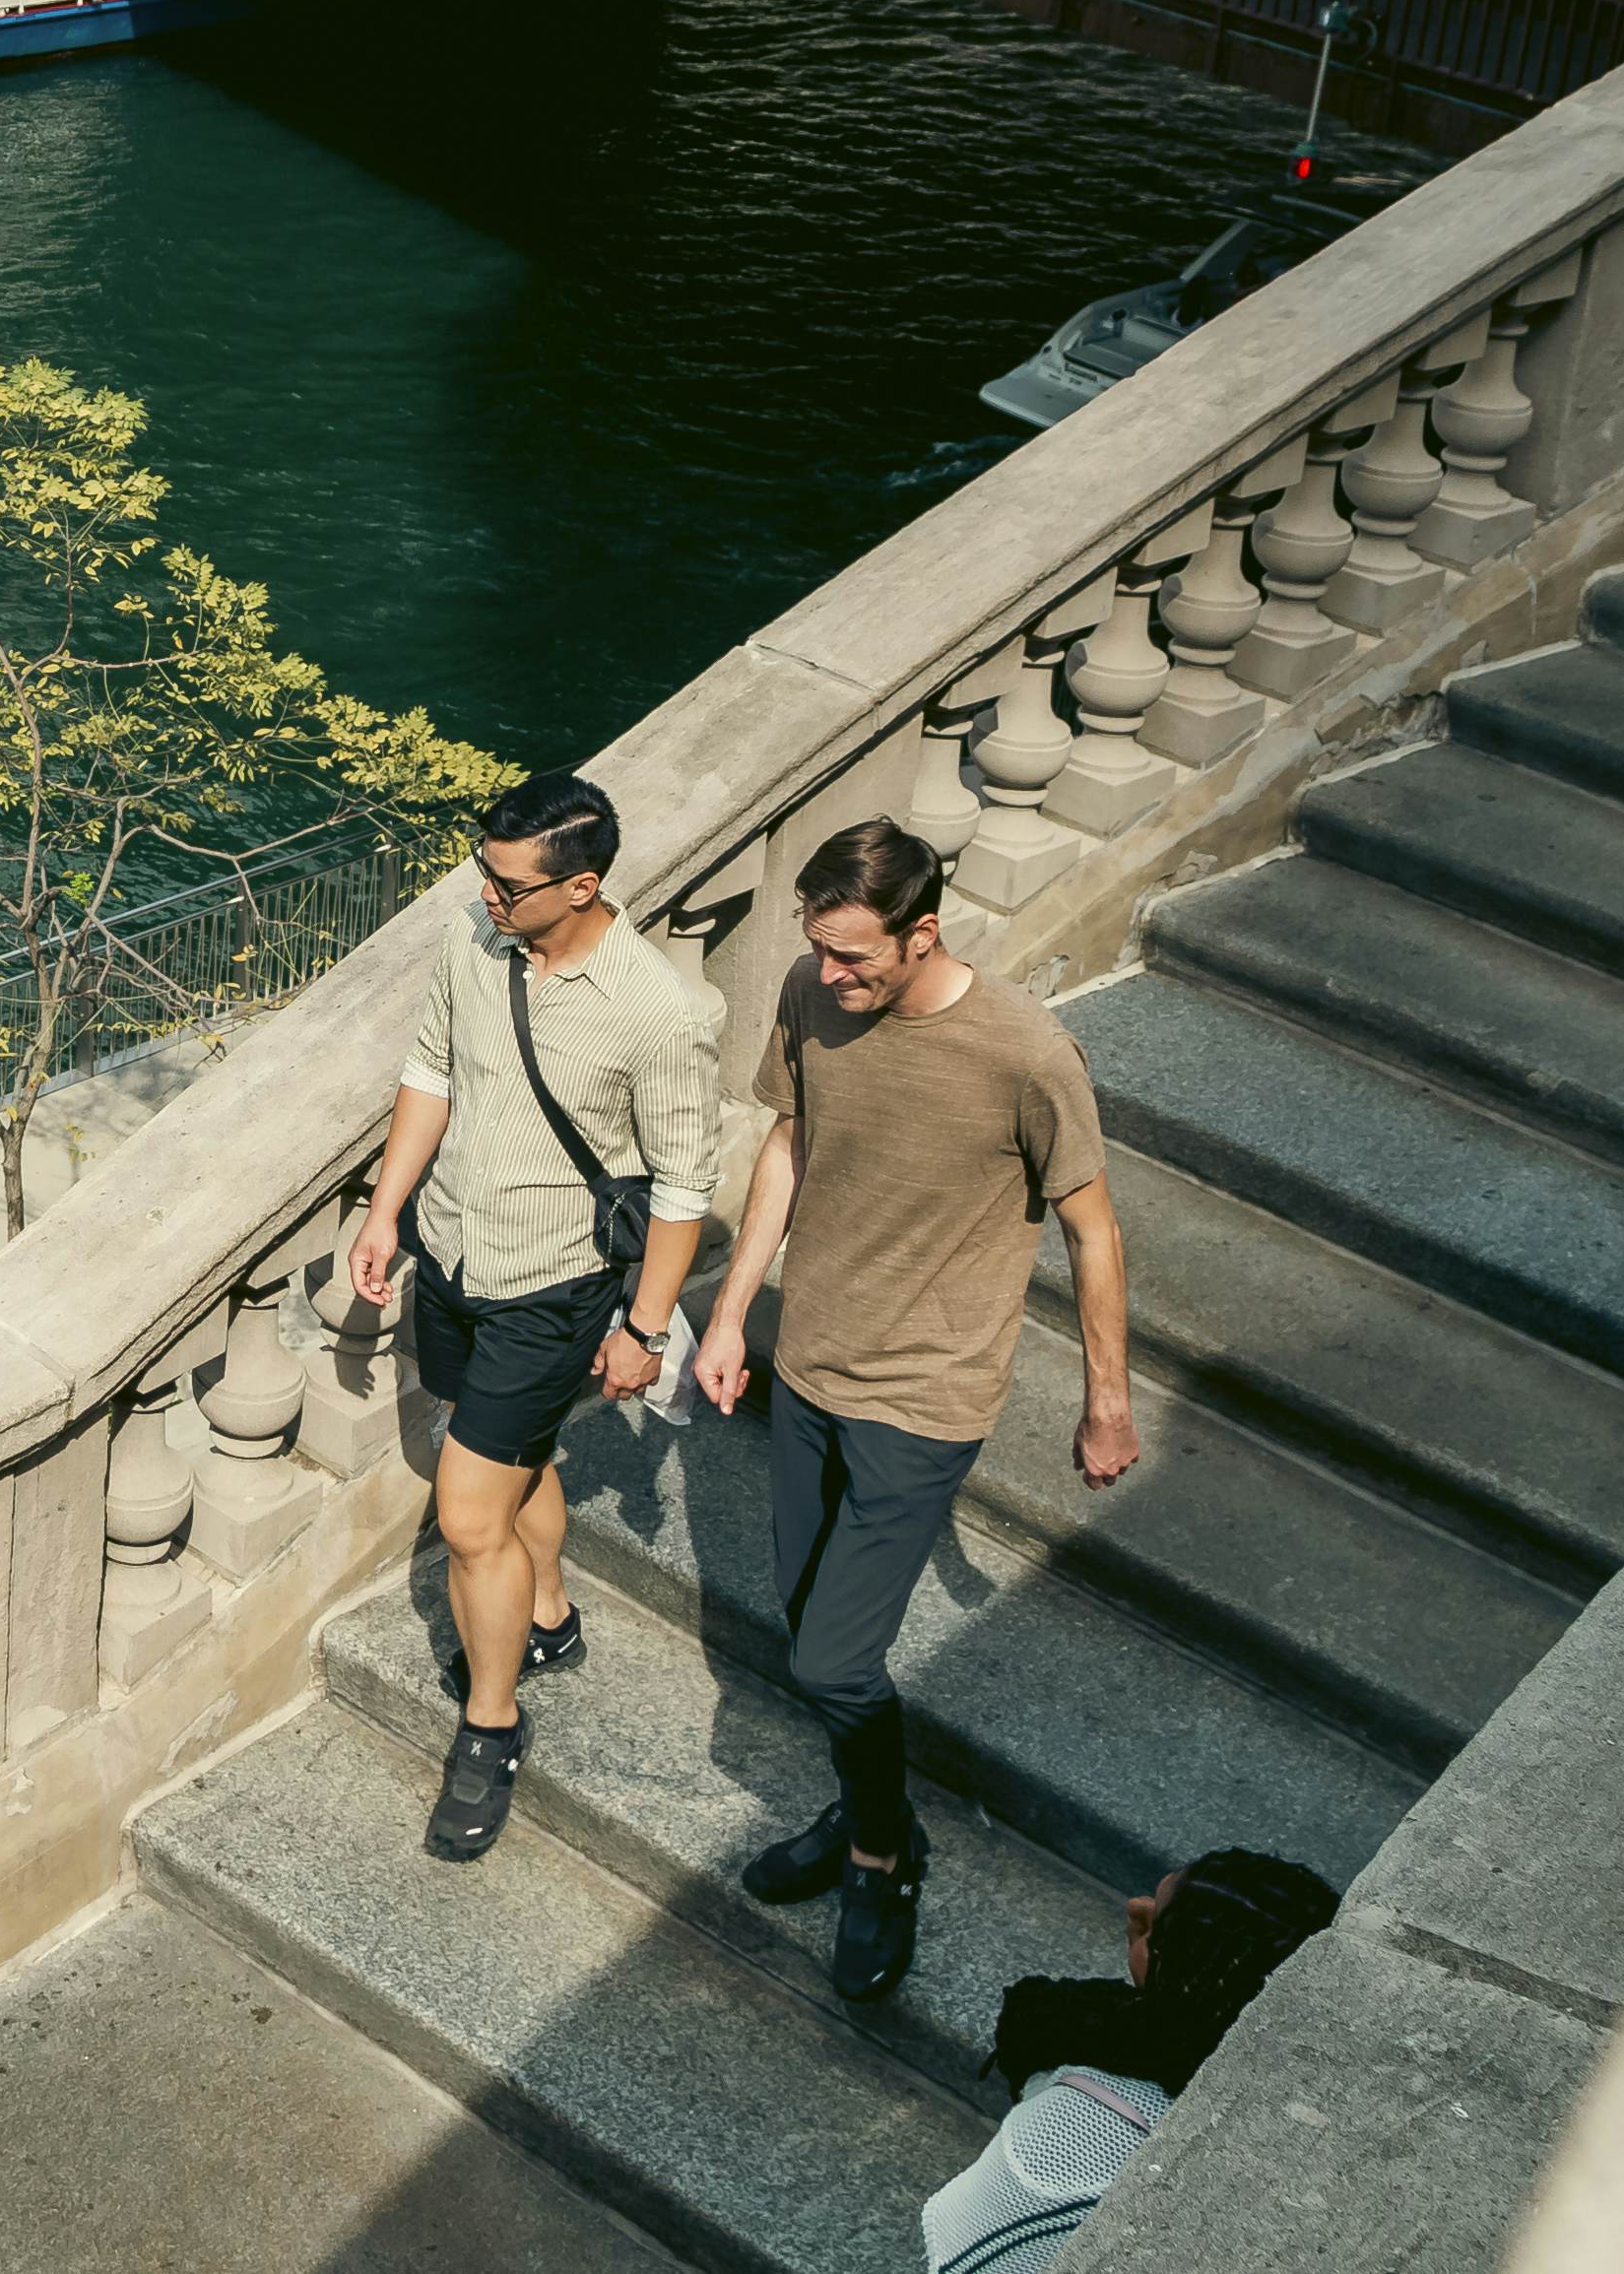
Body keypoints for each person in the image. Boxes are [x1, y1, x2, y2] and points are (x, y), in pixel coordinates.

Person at [700, 817, 1135, 2004]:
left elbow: (1094, 1233)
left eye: (854, 955)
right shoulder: (811, 990)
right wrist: (732, 1315)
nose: (829, 974)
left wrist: (1105, 1402)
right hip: (811, 1365)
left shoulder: (1026, 1054)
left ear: (923, 931)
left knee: (833, 1658)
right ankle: (861, 1811)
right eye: (819, 949)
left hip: (927, 1393)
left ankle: (884, 1857)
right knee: (811, 1628)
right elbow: (789, 1145)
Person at [350, 771, 736, 1866]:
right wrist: (385, 1210)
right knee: (512, 1462)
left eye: (509, 884)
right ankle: (550, 1614)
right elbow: (431, 1068)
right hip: (451, 1253)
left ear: (582, 886)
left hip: (552, 1288)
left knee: (470, 1517)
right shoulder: (476, 938)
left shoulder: (657, 1012)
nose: (486, 894)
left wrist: (645, 1330)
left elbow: (683, 1186)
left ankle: (492, 1726)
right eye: (484, 870)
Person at [923, 1852, 1340, 2267]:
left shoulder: (1070, 2126)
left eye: (1159, 1925)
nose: (1134, 1907)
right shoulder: (1317, 2111)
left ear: (1193, 1978)